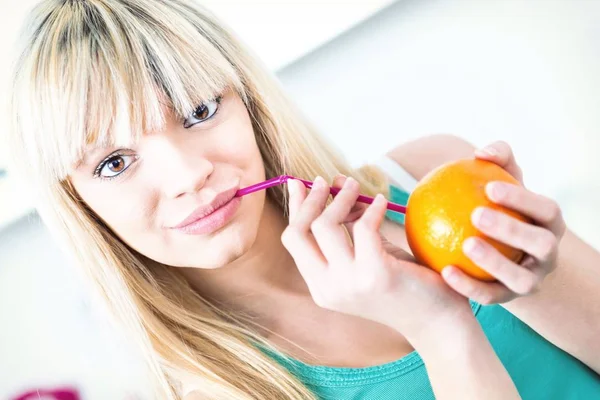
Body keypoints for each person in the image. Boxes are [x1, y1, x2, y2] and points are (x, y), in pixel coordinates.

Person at [7, 0, 600, 399]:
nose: (188, 174)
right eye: (113, 163)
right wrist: (439, 328)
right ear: (77, 205)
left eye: (199, 111)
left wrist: (534, 277)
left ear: (250, 101)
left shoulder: (425, 172)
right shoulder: (216, 389)